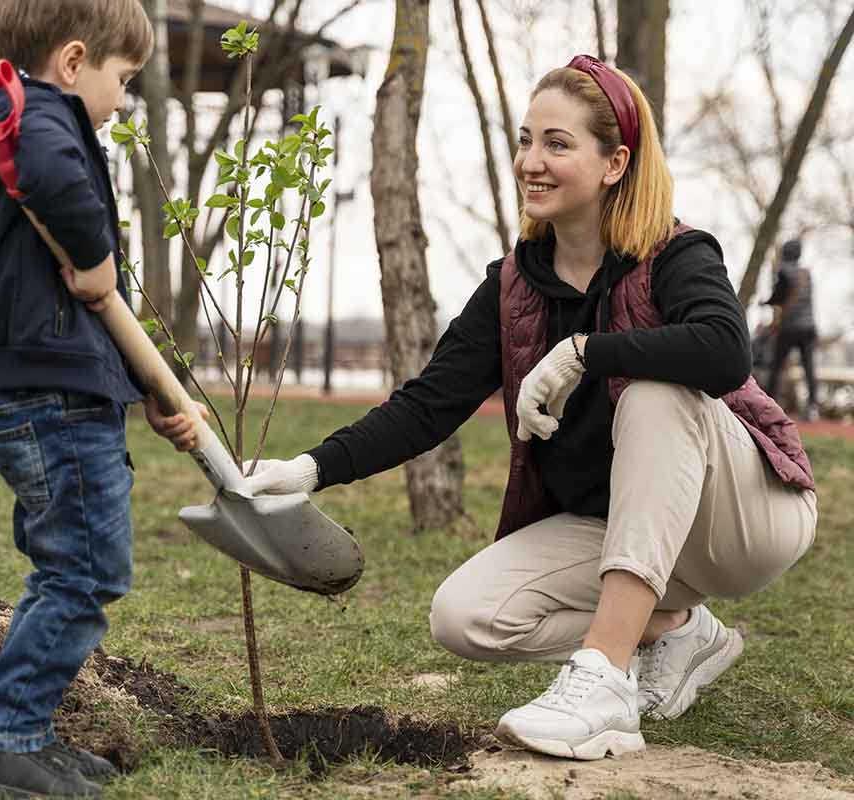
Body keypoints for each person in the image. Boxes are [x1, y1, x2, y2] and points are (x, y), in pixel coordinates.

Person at [243, 55, 817, 761]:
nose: (530, 161)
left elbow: (726, 353)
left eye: (557, 143)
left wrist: (585, 351)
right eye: (525, 140)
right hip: (624, 531)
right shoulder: (515, 285)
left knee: (657, 392)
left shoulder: (675, 254)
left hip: (744, 519)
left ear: (615, 163)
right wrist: (308, 469)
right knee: (466, 617)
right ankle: (671, 629)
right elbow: (428, 405)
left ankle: (604, 677)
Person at [0, 1, 206, 797]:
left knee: (66, 569)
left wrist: (148, 393)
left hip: (40, 389)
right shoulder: (32, 116)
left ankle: (27, 733)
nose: (124, 100)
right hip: (46, 398)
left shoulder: (17, 118)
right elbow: (60, 188)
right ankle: (0, 742)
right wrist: (97, 255)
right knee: (86, 573)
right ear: (71, 61)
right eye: (122, 80)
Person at [764, 238, 820, 420]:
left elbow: (778, 295)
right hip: (809, 327)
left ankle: (768, 405)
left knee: (777, 366)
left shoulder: (783, 270)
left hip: (789, 327)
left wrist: (766, 302)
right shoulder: (807, 273)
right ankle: (813, 406)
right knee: (809, 368)